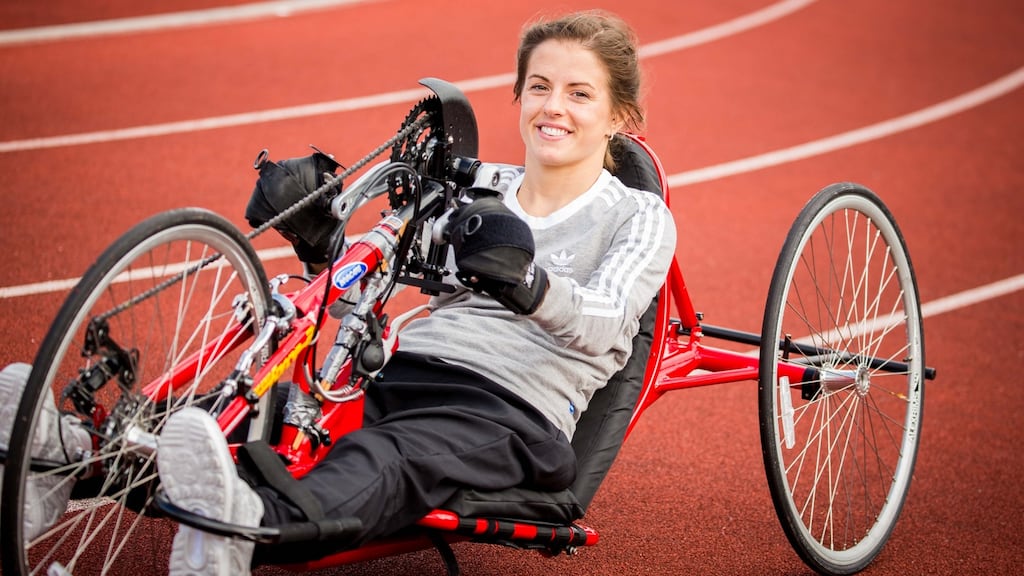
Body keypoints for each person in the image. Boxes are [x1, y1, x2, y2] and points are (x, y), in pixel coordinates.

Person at [0, 10, 677, 575]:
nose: (553, 107)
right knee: (244, 416)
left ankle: (246, 528)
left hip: (510, 414)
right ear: (520, 96)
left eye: (579, 94)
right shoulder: (480, 184)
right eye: (539, 86)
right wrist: (314, 227)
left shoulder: (637, 217)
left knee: (387, 456)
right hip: (401, 375)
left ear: (620, 116)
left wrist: (528, 281)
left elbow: (609, 323)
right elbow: (376, 267)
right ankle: (74, 455)